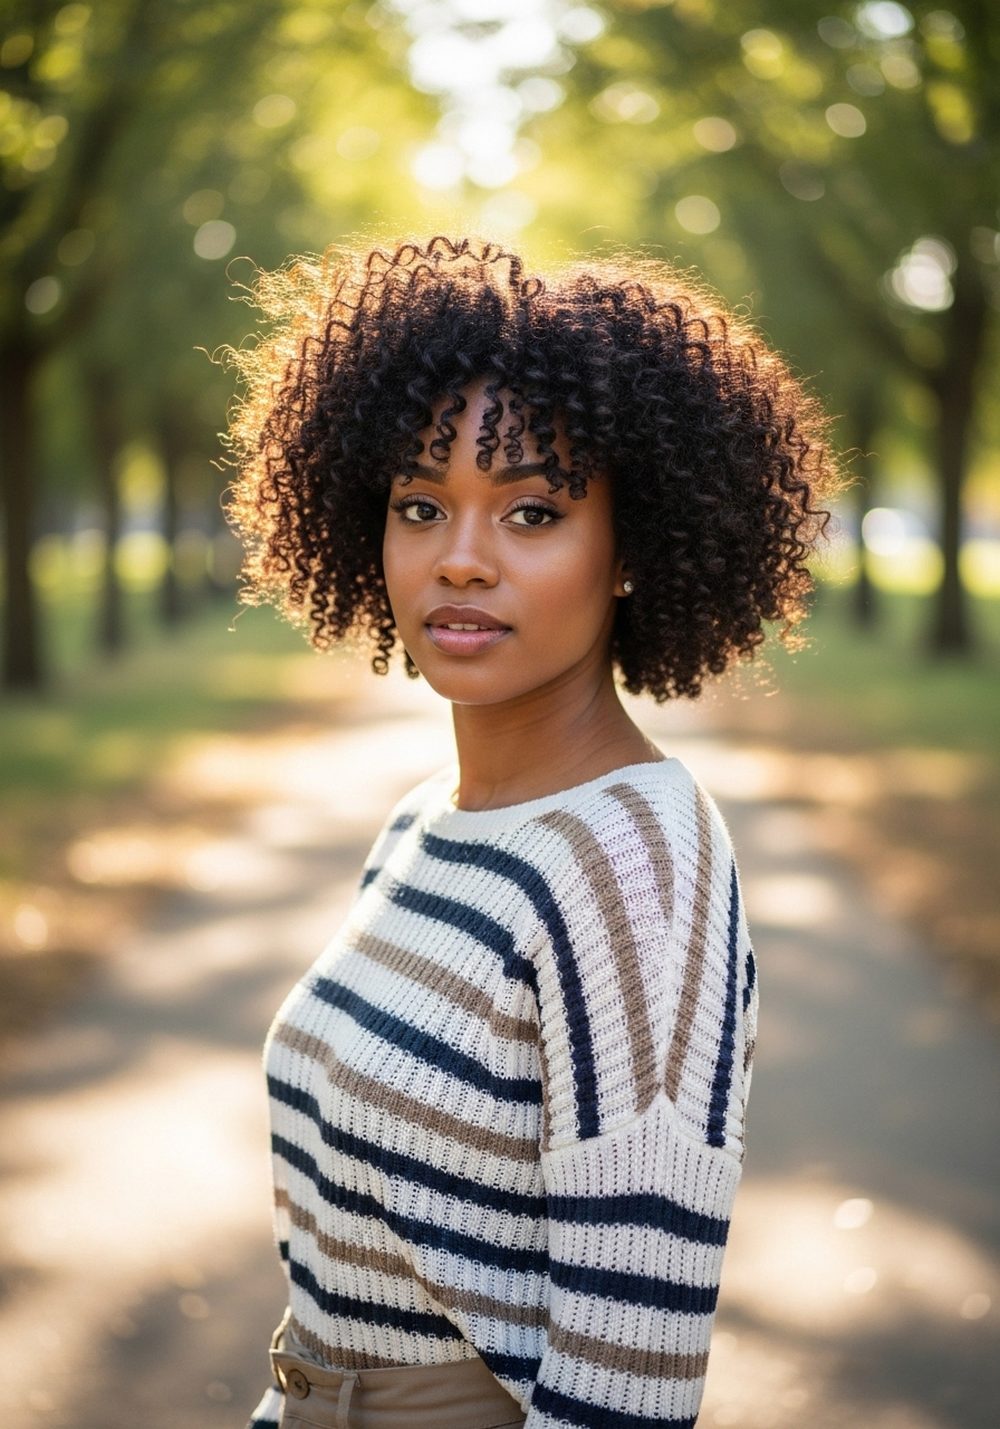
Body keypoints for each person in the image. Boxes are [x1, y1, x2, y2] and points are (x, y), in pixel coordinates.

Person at [222, 233, 840, 1429]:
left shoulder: (637, 865)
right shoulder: (421, 824)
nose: (460, 558)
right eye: (420, 504)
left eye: (533, 511)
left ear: (629, 551)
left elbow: (630, 1389)